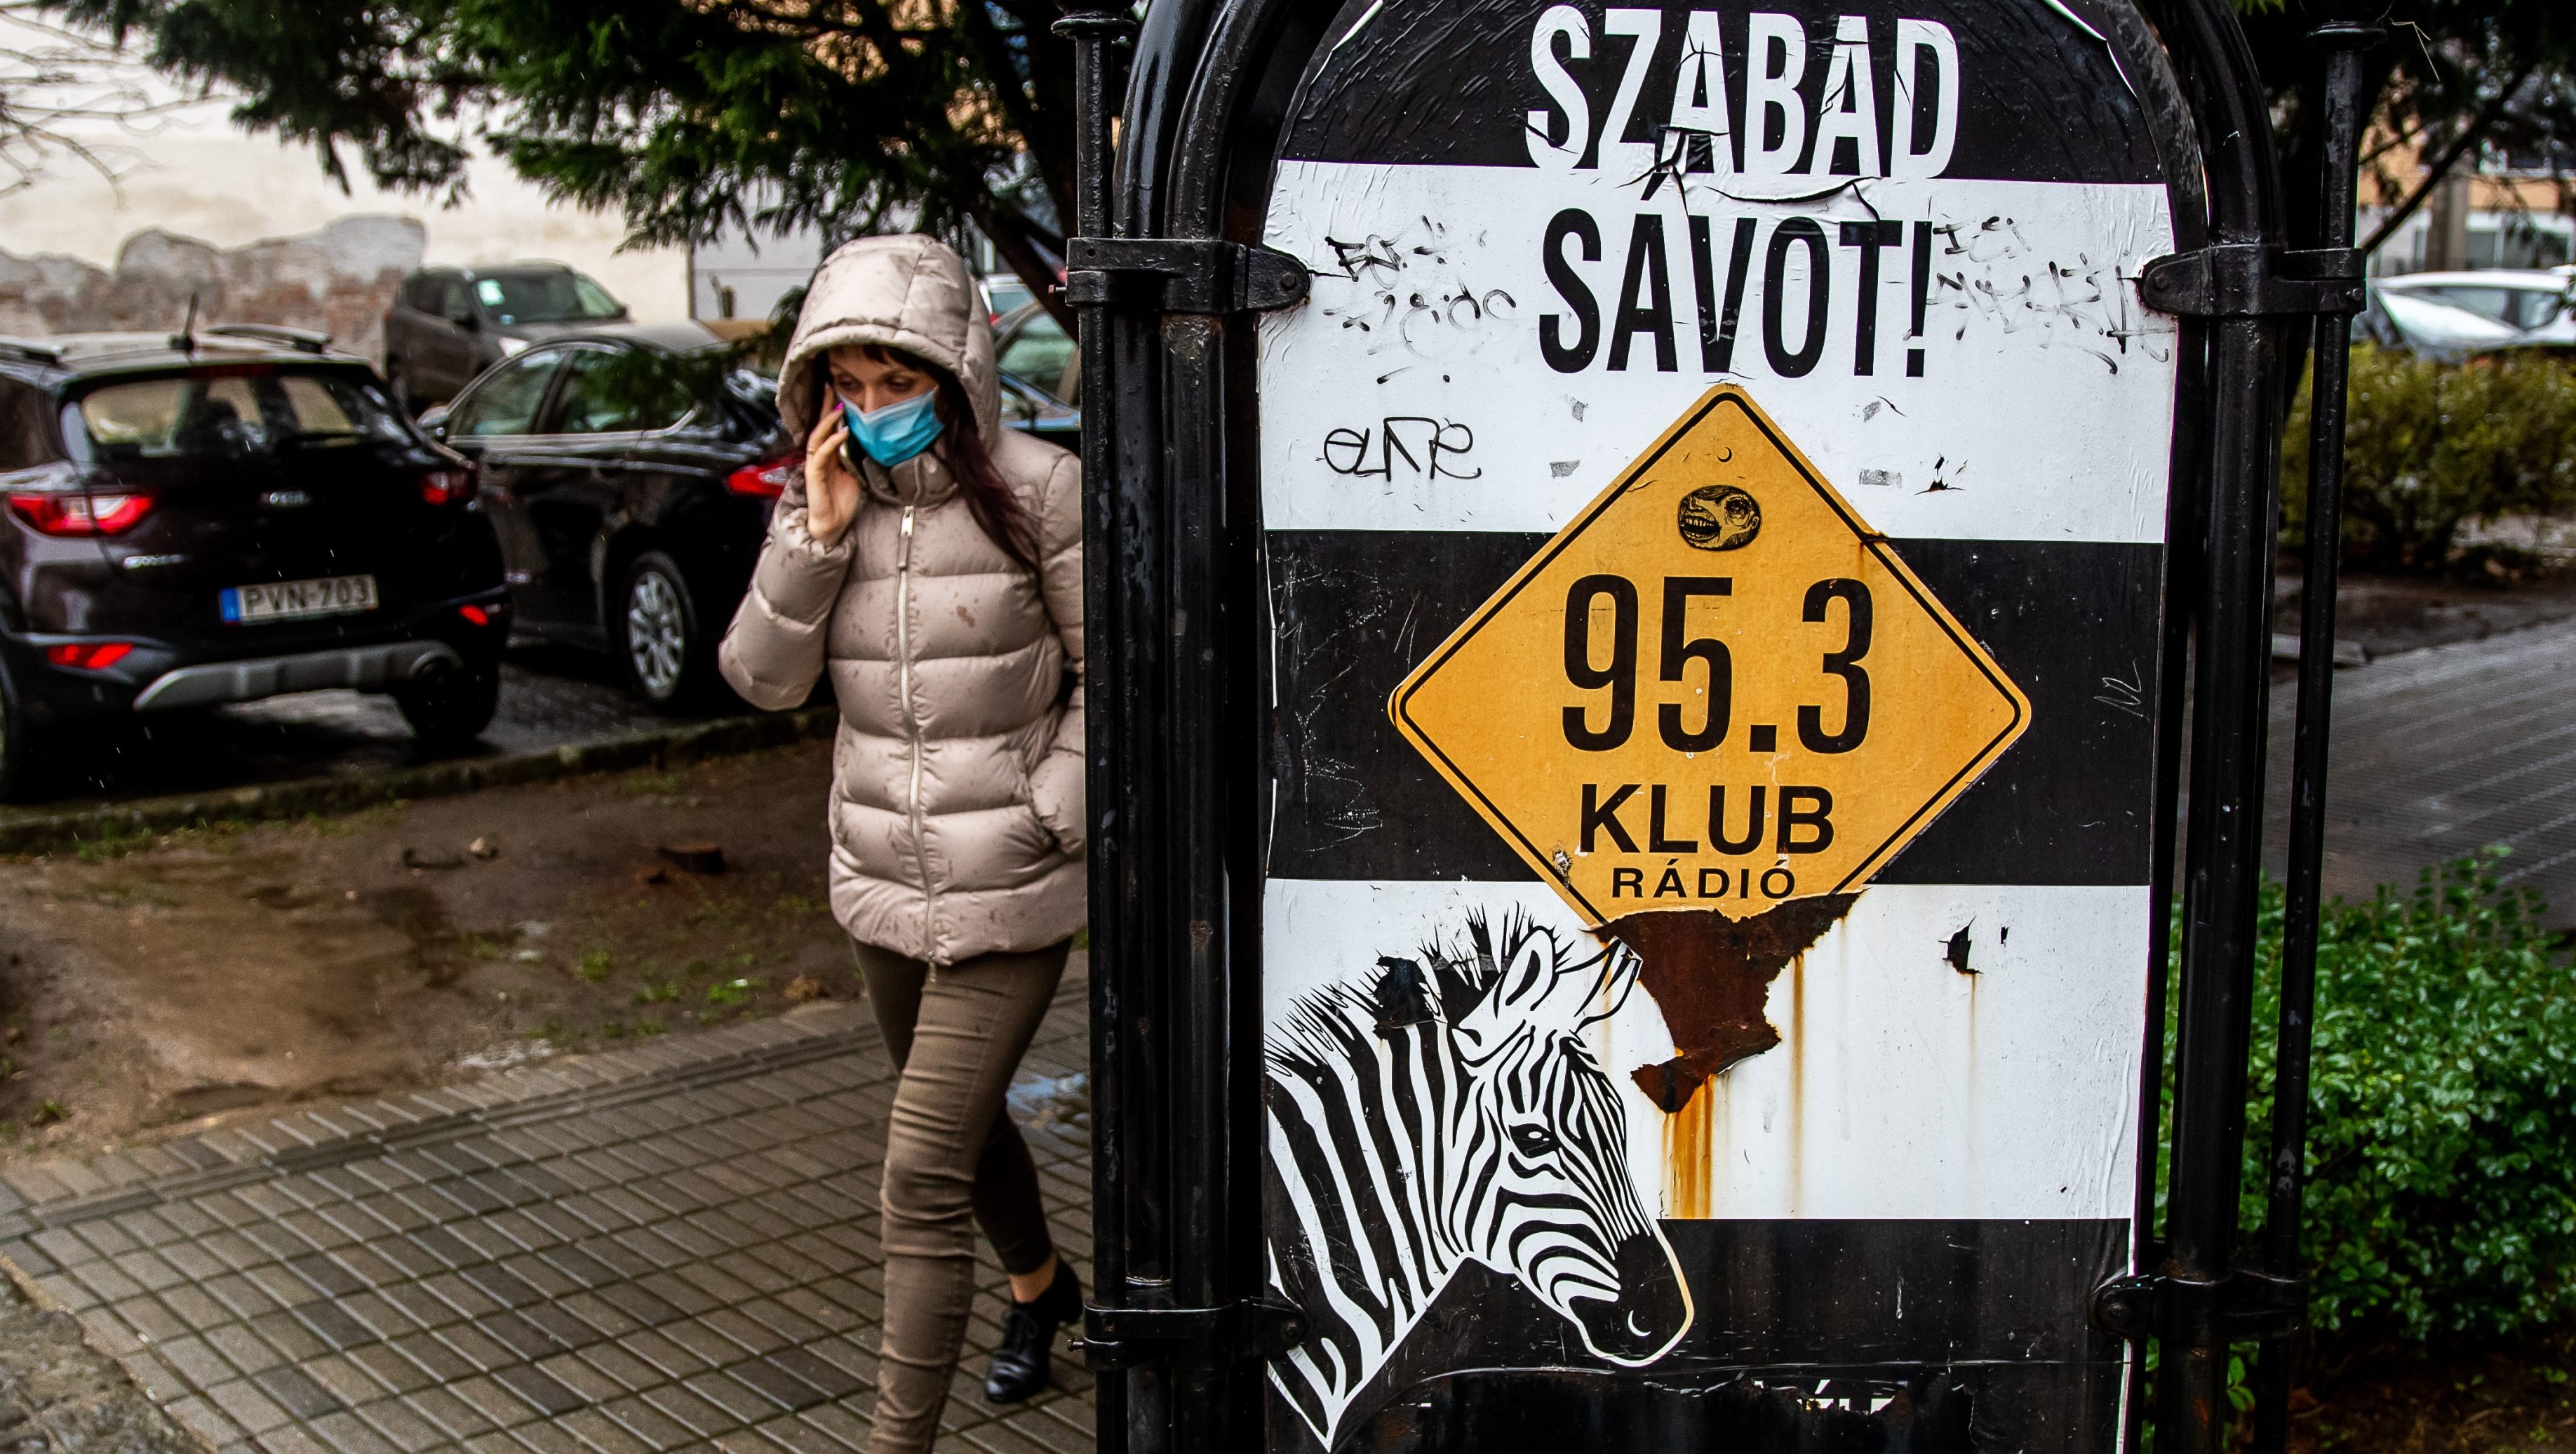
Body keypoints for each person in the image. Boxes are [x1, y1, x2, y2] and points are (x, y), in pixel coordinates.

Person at [718, 234, 1085, 1449]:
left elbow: (1114, 678)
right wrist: (814, 538)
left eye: (900, 383)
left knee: (918, 1177)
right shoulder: (823, 503)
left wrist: (1054, 810)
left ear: (958, 374)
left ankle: (895, 1442)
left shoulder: (1039, 490)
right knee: (965, 1132)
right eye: (852, 387)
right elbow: (761, 682)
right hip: (879, 885)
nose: (874, 412)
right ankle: (1042, 1290)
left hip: (1008, 892)